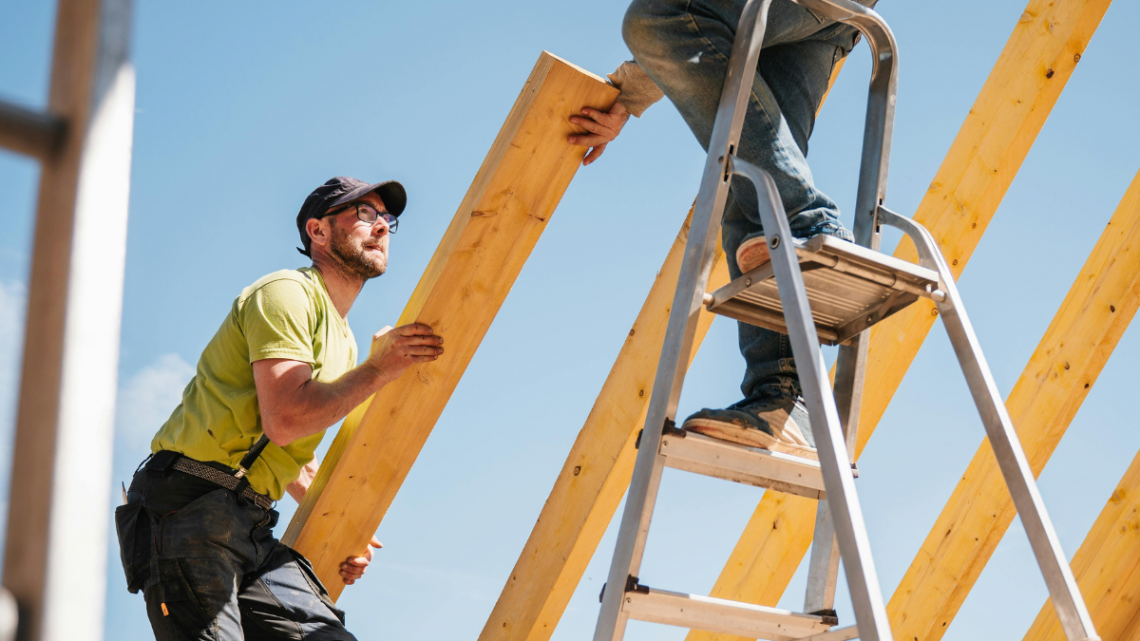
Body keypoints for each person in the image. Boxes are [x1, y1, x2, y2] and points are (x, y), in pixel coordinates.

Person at [114, 177, 445, 640]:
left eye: (388, 220)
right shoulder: (286, 292)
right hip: (185, 505)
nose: (382, 227)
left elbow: (285, 453)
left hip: (247, 523)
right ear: (318, 231)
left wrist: (342, 526)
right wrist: (379, 370)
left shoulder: (343, 341)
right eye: (365, 215)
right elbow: (287, 418)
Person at [568, 0, 876, 459]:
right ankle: (784, 403)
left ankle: (810, 222)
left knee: (656, 16)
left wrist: (632, 92)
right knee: (751, 184)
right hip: (825, 22)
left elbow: (679, 16)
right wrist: (629, 99)